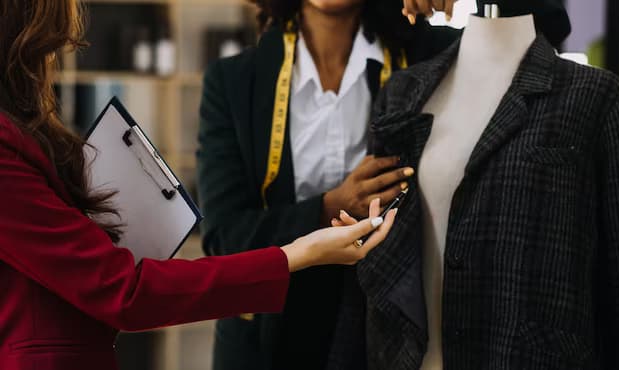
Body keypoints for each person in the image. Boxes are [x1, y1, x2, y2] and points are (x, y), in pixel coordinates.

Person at [0, 1, 397, 370]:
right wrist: (298, 250)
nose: (52, 63)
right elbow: (127, 291)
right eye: (50, 49)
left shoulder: (23, 133)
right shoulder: (235, 80)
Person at [196, 0, 460, 369]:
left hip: (385, 335)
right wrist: (330, 207)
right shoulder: (234, 82)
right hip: (267, 342)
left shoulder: (430, 54)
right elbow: (224, 238)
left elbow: (544, 22)